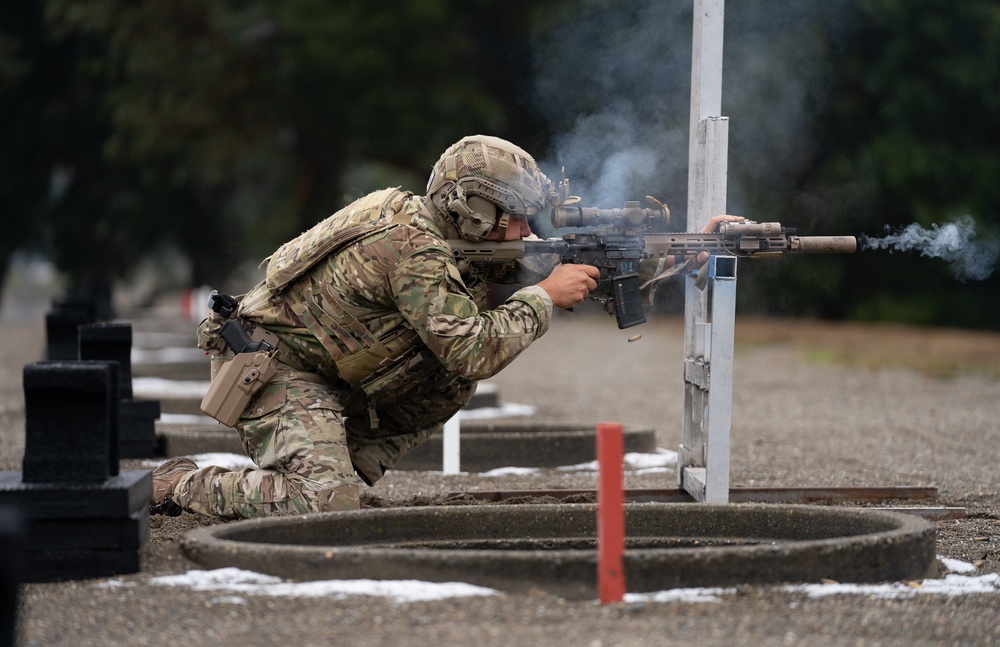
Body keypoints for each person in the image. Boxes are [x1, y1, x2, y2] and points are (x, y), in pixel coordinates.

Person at [150, 135, 734, 519]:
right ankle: (183, 485)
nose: (528, 228)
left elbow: (574, 261)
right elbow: (473, 351)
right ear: (475, 212)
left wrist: (687, 249)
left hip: (332, 369)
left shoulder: (455, 235)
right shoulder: (413, 249)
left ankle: (331, 465)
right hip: (274, 368)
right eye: (517, 216)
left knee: (435, 389)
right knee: (323, 510)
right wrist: (542, 298)